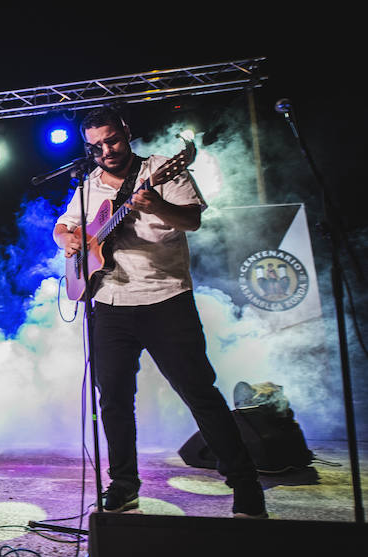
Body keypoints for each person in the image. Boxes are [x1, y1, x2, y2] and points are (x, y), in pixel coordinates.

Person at [52, 107, 267, 518]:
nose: (106, 150)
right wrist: (71, 240)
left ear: (126, 132)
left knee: (200, 394)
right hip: (110, 304)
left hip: (166, 298)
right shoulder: (89, 185)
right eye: (96, 145)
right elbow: (63, 227)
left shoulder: (162, 170)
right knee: (113, 401)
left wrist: (153, 206)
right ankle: (123, 485)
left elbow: (192, 220)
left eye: (111, 140)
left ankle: (246, 486)